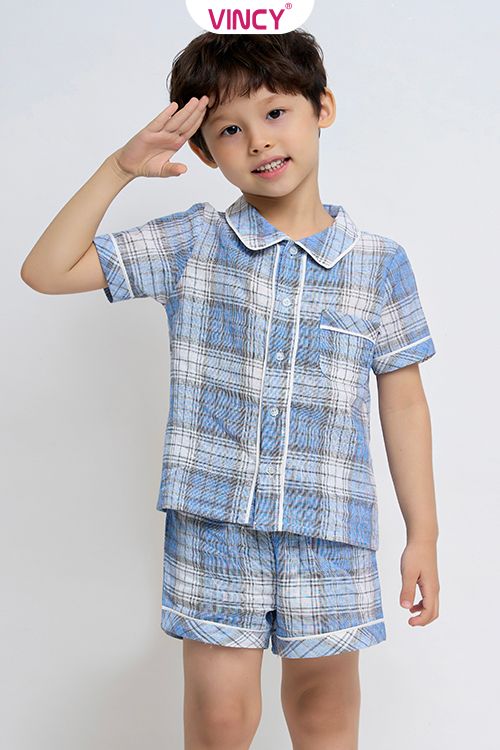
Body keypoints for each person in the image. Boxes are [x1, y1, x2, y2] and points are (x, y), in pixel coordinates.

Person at [20, 29, 440, 750]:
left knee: (324, 715)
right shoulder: (193, 244)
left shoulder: (379, 264)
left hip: (329, 527)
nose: (259, 140)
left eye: (275, 113)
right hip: (215, 526)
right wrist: (119, 168)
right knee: (220, 720)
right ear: (206, 151)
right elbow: (46, 270)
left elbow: (403, 400)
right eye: (230, 129)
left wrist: (422, 533)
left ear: (322, 108)